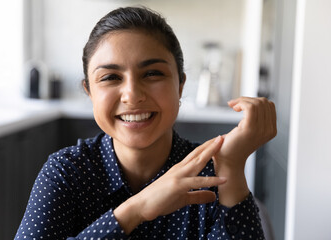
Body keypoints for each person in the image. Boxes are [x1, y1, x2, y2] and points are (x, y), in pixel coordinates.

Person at [15, 6, 276, 240]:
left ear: (180, 85)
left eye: (152, 73)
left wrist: (231, 167)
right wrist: (136, 209)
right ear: (89, 92)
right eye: (110, 77)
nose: (132, 94)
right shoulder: (65, 172)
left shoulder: (212, 175)